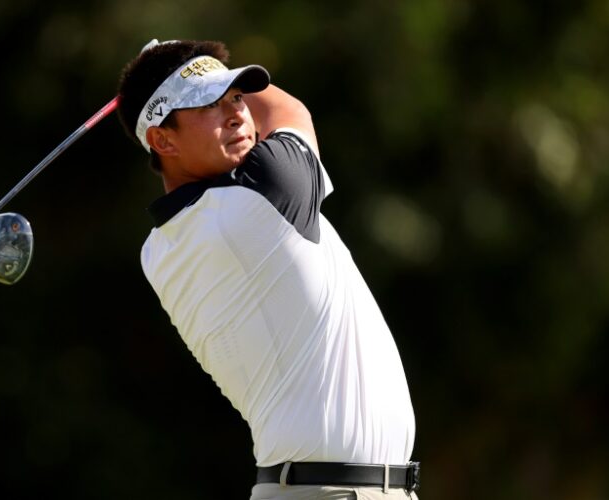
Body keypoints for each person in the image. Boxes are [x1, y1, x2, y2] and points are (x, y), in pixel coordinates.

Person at [115, 38, 420, 500]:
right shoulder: (259, 197)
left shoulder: (159, 250)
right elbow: (288, 110)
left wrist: (185, 69)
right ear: (162, 140)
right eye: (208, 104)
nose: (236, 114)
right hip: (330, 492)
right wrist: (183, 49)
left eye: (236, 96)